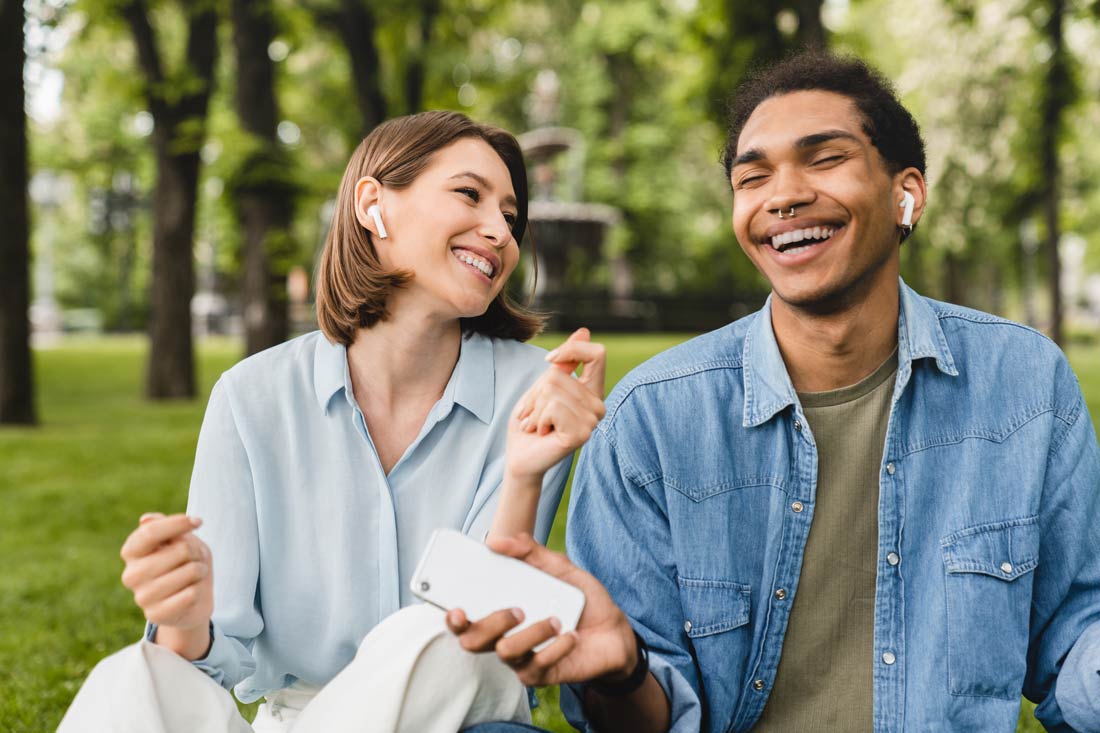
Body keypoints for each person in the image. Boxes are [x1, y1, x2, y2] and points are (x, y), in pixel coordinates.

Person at [449, 51, 1100, 732]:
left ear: (906, 193)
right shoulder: (652, 419)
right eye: (752, 177)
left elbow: (1074, 642)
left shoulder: (1024, 382)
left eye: (823, 159)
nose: (782, 194)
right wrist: (625, 668)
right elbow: (632, 720)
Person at [59, 110, 607, 733]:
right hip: (296, 718)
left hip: (452, 712)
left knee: (434, 633)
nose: (499, 232)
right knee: (132, 677)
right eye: (469, 194)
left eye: (510, 217)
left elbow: (484, 631)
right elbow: (212, 666)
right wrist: (183, 614)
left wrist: (524, 476)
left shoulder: (537, 391)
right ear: (373, 205)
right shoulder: (251, 396)